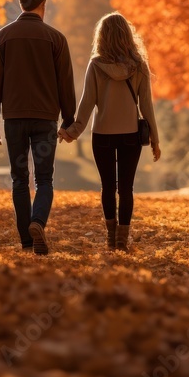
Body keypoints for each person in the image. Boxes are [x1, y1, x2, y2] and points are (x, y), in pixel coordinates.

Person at [0, 0, 75, 255]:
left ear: (21, 4)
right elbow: (65, 84)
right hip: (46, 120)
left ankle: (26, 240)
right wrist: (69, 120)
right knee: (44, 179)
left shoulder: (2, 37)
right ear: (42, 5)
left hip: (13, 119)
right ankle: (38, 223)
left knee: (19, 179)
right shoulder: (56, 39)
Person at [59, 13, 160, 252]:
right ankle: (122, 241)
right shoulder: (139, 65)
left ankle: (111, 238)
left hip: (102, 134)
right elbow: (147, 105)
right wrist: (155, 138)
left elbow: (86, 103)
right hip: (130, 135)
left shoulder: (96, 65)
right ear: (127, 34)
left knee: (107, 187)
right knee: (126, 189)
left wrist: (72, 131)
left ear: (102, 36)